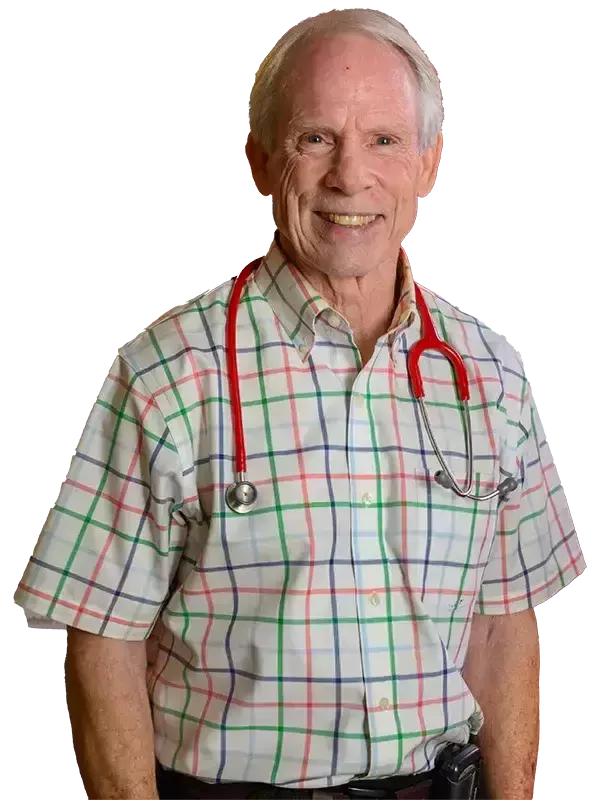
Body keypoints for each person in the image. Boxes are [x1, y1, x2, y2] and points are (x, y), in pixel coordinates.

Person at [15, 9, 586, 800]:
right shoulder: (168, 369)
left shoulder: (490, 372)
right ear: (259, 163)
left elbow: (501, 625)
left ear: (428, 168)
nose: (351, 176)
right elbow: (102, 634)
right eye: (315, 138)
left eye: (384, 140)